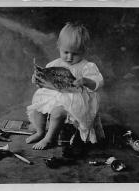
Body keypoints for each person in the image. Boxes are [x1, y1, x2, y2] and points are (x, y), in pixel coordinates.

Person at [26, 22, 104, 150]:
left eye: (75, 54)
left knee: (57, 112)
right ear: (59, 47)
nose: (69, 57)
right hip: (56, 95)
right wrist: (38, 80)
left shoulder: (87, 66)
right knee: (37, 108)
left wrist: (86, 81)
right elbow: (46, 84)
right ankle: (40, 132)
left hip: (76, 100)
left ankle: (50, 138)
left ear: (84, 51)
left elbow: (98, 82)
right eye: (66, 52)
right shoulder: (54, 63)